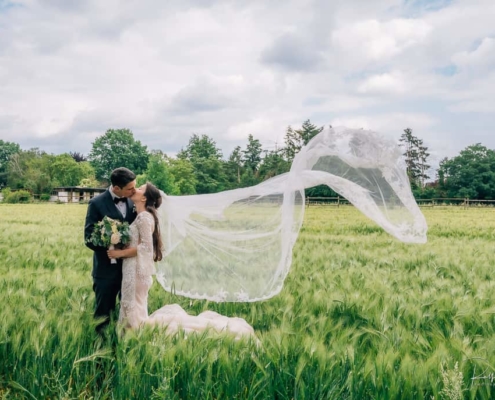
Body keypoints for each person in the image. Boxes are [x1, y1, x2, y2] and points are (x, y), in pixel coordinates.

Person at [107, 182, 255, 339]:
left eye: (140, 189)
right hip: (133, 268)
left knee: (132, 307)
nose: (135, 190)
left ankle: (133, 339)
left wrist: (120, 254)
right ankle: (133, 338)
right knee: (132, 306)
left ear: (144, 198)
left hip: (136, 270)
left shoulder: (144, 217)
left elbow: (145, 248)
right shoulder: (142, 216)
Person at [84, 167, 137, 336]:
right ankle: (101, 353)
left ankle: (122, 347)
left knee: (127, 313)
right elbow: (89, 237)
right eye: (130, 188)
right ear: (116, 188)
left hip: (129, 269)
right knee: (103, 314)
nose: (134, 190)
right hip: (105, 271)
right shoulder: (96, 203)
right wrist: (110, 242)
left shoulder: (132, 201)